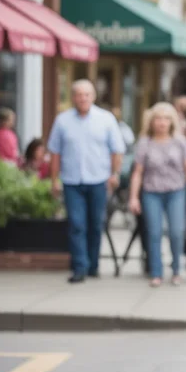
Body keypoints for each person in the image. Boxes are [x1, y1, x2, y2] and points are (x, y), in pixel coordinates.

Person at [47, 79, 126, 283]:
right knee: (76, 223)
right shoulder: (62, 120)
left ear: (93, 97)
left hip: (98, 179)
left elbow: (117, 150)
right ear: (73, 97)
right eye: (79, 95)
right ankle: (80, 267)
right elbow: (55, 152)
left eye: (86, 94)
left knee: (96, 223)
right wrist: (54, 180)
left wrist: (114, 174)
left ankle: (93, 265)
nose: (83, 98)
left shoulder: (106, 119)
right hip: (72, 180)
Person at [127, 103, 186, 287]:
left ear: (172, 122)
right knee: (154, 232)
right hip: (152, 191)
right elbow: (137, 172)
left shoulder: (180, 141)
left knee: (176, 231)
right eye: (158, 119)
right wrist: (134, 197)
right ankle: (156, 272)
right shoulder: (144, 142)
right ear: (151, 122)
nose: (162, 123)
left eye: (166, 119)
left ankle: (176, 270)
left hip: (176, 190)